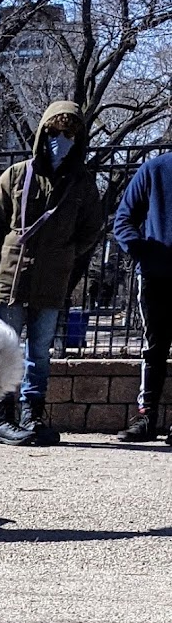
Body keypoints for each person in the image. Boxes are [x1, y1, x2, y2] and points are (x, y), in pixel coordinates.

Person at [0, 100, 103, 445]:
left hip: (52, 281)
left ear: (79, 138)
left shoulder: (82, 184)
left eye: (69, 133)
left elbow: (93, 227)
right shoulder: (16, 174)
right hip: (10, 277)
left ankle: (32, 413)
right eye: (55, 132)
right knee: (6, 349)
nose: (61, 140)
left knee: (40, 352)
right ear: (43, 134)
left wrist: (69, 254)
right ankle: (1, 415)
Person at [111, 153, 172, 443]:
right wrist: (139, 249)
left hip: (153, 271)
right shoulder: (155, 169)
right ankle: (147, 417)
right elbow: (124, 218)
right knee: (153, 349)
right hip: (154, 275)